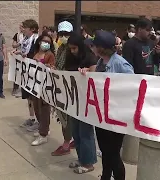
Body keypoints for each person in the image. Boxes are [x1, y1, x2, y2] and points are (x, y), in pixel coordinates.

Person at [79, 30, 134, 180]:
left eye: (94, 45)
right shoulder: (100, 61)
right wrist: (87, 73)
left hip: (116, 116)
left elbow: (133, 86)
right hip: (102, 115)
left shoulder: (120, 63)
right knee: (105, 150)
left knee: (113, 153)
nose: (92, 48)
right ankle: (105, 176)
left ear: (101, 48)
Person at [64, 32, 97, 174]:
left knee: (85, 132)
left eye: (74, 48)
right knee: (76, 132)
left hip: (87, 101)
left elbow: (96, 76)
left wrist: (88, 71)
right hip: (74, 100)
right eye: (70, 49)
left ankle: (88, 162)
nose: (72, 51)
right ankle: (81, 158)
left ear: (81, 47)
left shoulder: (90, 57)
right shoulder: (70, 57)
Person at [52, 20, 75, 156]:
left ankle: (67, 143)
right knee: (64, 117)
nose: (63, 36)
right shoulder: (61, 48)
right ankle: (69, 140)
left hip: (69, 88)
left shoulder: (73, 49)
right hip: (61, 87)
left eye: (66, 33)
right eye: (61, 33)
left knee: (68, 118)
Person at [30, 34, 55, 146]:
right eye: (44, 41)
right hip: (35, 84)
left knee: (44, 109)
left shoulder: (50, 55)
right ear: (39, 42)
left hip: (45, 86)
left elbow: (52, 67)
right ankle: (43, 128)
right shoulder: (36, 52)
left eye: (49, 42)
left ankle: (43, 134)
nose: (46, 44)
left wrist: (44, 65)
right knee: (36, 108)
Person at [14, 19, 39, 129]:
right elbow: (24, 51)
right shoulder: (25, 39)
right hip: (25, 72)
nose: (22, 29)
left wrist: (26, 55)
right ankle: (32, 118)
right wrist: (20, 53)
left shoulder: (37, 40)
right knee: (28, 96)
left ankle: (39, 121)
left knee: (34, 97)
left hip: (34, 73)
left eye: (25, 27)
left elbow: (37, 55)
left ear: (32, 29)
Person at [11, 23, 25, 97]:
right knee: (17, 72)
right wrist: (19, 43)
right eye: (20, 27)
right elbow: (13, 45)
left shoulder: (28, 36)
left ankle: (24, 90)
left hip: (25, 56)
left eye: (22, 27)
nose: (21, 28)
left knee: (24, 72)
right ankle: (15, 89)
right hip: (18, 56)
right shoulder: (17, 35)